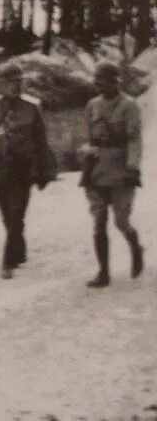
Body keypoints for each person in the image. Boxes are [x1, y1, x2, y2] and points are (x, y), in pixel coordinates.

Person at [0, 62, 53, 279]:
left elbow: (41, 141)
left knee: (16, 213)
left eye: (18, 82)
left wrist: (44, 170)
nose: (15, 86)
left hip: (22, 168)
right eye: (10, 82)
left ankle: (7, 262)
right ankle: (19, 248)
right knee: (8, 215)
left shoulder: (32, 107)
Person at [78, 61, 144, 287]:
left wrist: (133, 166)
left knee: (121, 220)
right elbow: (87, 135)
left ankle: (135, 246)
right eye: (97, 79)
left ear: (115, 81)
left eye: (103, 79)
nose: (99, 84)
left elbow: (134, 139)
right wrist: (86, 153)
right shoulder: (92, 105)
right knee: (98, 221)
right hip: (96, 169)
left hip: (120, 168)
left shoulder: (128, 105)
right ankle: (103, 272)